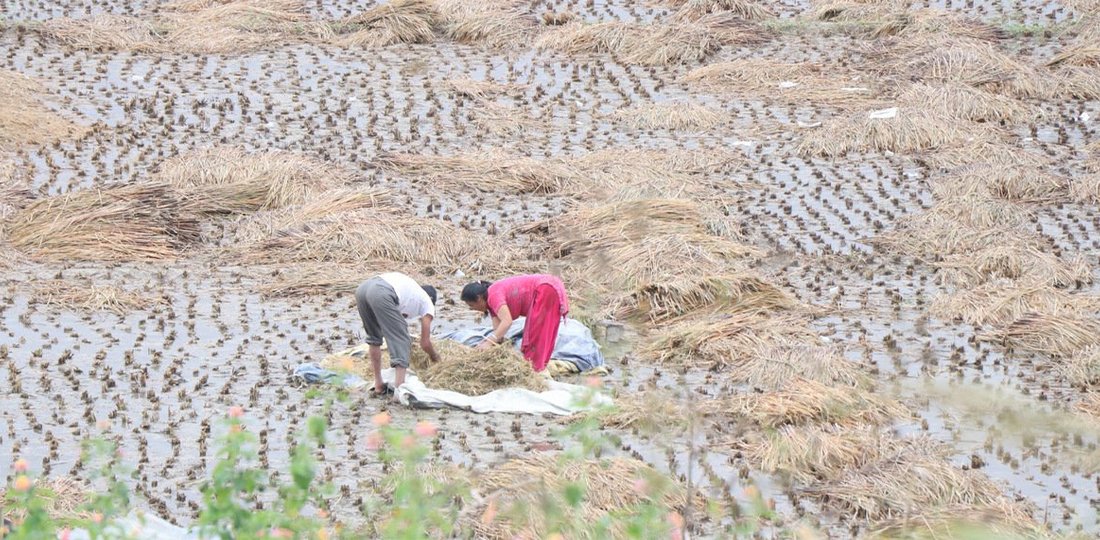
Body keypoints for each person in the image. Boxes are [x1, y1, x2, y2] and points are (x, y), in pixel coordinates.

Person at [460, 274, 569, 373]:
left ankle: (534, 372)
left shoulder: (493, 295)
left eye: (471, 305)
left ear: (479, 299)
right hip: (548, 285)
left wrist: (488, 342)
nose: (471, 309)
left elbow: (507, 322)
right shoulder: (491, 305)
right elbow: (498, 332)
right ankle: (537, 368)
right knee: (540, 334)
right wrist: (488, 346)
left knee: (536, 336)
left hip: (545, 289)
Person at [355, 272, 439, 397]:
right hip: (381, 291)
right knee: (402, 339)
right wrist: (435, 357)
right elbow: (425, 343)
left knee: (374, 338)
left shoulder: (410, 294)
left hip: (363, 289)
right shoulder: (428, 303)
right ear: (432, 299)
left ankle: (378, 384)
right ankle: (399, 390)